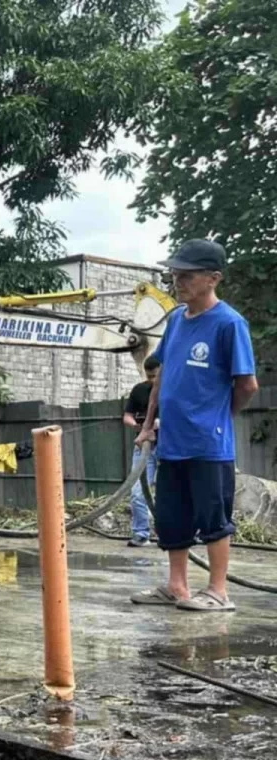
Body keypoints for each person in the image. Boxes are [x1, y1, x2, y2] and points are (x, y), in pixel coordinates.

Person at [132, 239, 258, 612]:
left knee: (213, 517)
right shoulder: (175, 321)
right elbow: (162, 377)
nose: (177, 281)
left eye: (186, 275)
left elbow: (247, 384)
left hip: (208, 442)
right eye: (174, 274)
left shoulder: (229, 324)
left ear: (213, 278)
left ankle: (218, 591)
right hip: (172, 440)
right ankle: (177, 587)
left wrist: (220, 418)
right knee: (173, 517)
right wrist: (149, 424)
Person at [123, 356, 161, 547]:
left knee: (166, 494)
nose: (153, 380)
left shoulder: (174, 390)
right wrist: (139, 427)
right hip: (144, 445)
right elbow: (127, 416)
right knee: (138, 492)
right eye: (149, 376)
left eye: (156, 376)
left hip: (168, 447)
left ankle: (168, 533)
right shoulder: (139, 390)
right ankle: (141, 533)